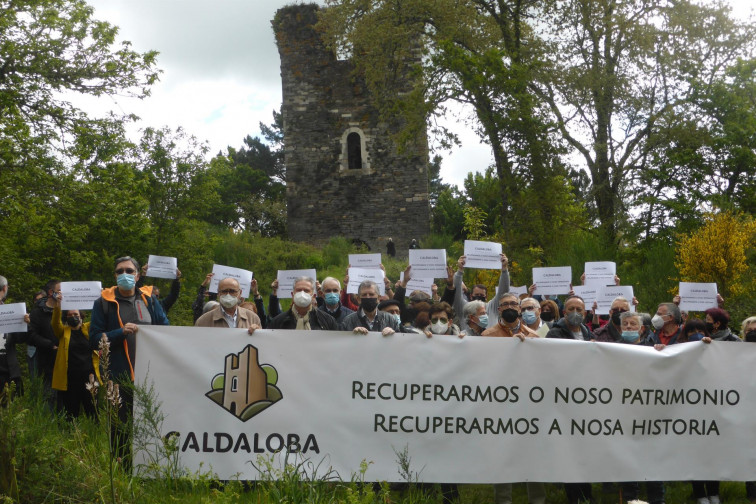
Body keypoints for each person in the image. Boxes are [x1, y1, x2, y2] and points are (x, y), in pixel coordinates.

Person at [89, 256, 170, 468]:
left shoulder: (150, 300)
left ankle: (151, 469)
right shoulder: (103, 303)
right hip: (119, 376)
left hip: (151, 375)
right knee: (121, 428)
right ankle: (124, 471)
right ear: (114, 276)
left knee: (151, 423)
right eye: (119, 271)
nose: (124, 275)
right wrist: (120, 332)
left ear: (138, 275)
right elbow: (95, 339)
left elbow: (166, 329)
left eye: (128, 270)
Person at [51, 295, 99, 418]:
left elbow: (98, 318)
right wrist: (58, 306)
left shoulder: (88, 328)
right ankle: (71, 434)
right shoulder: (63, 332)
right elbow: (55, 323)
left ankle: (93, 434)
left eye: (76, 314)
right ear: (66, 317)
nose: (73, 317)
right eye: (70, 315)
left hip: (90, 377)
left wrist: (102, 298)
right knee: (71, 412)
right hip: (70, 379)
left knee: (92, 410)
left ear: (81, 315)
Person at [452, 253, 510, 333]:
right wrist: (460, 271)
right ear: (471, 296)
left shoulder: (492, 307)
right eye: (476, 295)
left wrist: (504, 269)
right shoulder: (464, 308)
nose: (479, 297)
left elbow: (503, 292)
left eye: (481, 295)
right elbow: (456, 293)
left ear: (486, 296)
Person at [28, 279, 61, 403]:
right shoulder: (37, 313)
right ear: (51, 292)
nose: (62, 294)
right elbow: (31, 336)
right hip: (46, 362)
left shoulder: (65, 311)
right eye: (59, 291)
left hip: (65, 362)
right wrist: (50, 345)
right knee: (49, 397)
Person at [0, 275, 31, 401]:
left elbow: (19, 339)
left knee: (6, 411)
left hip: (7, 369)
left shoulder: (11, 311)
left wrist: (25, 324)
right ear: (5, 288)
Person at [268, 277, 338, 330]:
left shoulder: (327, 321)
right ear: (292, 295)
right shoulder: (278, 322)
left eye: (306, 290)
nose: (302, 293)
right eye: (298, 290)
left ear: (313, 296)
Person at [195, 277, 261, 333]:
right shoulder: (203, 321)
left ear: (240, 293)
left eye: (232, 291)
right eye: (224, 291)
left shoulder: (253, 318)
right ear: (218, 293)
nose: (228, 295)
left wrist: (259, 334)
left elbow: (260, 345)